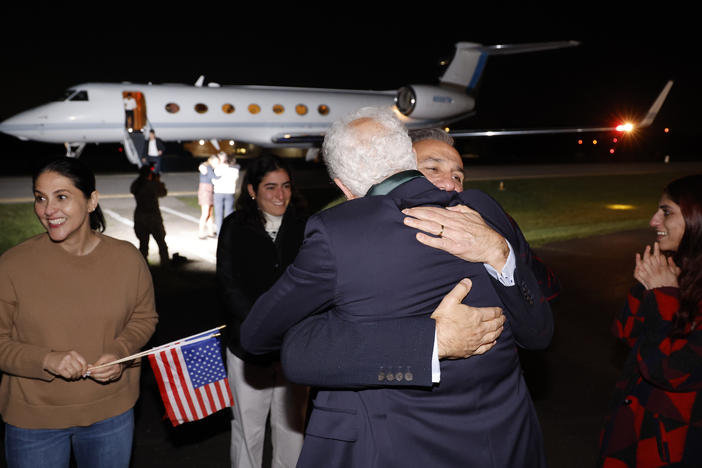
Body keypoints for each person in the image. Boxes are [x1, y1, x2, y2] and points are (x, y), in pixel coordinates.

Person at [240, 107, 553, 467]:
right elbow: (540, 333)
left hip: (403, 449)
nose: (450, 183)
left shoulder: (339, 231)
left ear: (343, 187)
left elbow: (258, 335)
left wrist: (500, 253)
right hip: (507, 445)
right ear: (409, 157)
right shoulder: (486, 209)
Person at [276, 127, 560, 388]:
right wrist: (435, 341)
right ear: (396, 176)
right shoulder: (352, 248)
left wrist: (499, 253)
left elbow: (538, 333)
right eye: (432, 169)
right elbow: (305, 350)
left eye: (458, 176)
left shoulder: (492, 235)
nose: (450, 185)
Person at [0, 157, 158, 468]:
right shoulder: (12, 266)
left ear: (91, 201)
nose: (48, 210)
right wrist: (46, 359)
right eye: (40, 198)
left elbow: (144, 318)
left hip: (111, 415)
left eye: (61, 197)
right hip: (34, 422)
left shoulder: (127, 259)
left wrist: (119, 351)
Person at [598, 174, 702, 467]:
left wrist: (663, 294)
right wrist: (646, 286)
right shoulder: (678, 270)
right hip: (637, 431)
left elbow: (669, 370)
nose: (653, 221)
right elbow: (625, 332)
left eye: (666, 211)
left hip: (676, 445)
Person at [216, 154, 309, 468]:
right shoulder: (234, 227)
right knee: (248, 430)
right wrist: (263, 326)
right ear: (252, 190)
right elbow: (229, 287)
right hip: (247, 348)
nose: (280, 195)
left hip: (294, 347)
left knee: (292, 428)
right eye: (270, 187)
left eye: (285, 186)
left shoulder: (305, 225)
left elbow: (315, 285)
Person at [130, 164, 169, 267]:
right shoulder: (152, 185)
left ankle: (143, 266)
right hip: (153, 217)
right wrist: (157, 181)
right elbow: (163, 192)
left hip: (140, 217)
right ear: (149, 174)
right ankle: (165, 265)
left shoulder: (136, 184)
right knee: (161, 244)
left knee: (143, 244)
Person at [212, 152, 240, 235]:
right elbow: (236, 181)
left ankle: (219, 232)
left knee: (218, 214)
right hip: (229, 192)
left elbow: (213, 180)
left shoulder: (217, 168)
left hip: (218, 192)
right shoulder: (234, 170)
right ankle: (228, 232)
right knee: (229, 213)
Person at [197, 154, 219, 239]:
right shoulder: (207, 167)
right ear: (212, 160)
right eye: (217, 162)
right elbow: (213, 177)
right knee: (205, 213)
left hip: (209, 191)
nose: (218, 164)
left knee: (210, 213)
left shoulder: (208, 167)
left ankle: (210, 232)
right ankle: (200, 233)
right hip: (205, 191)